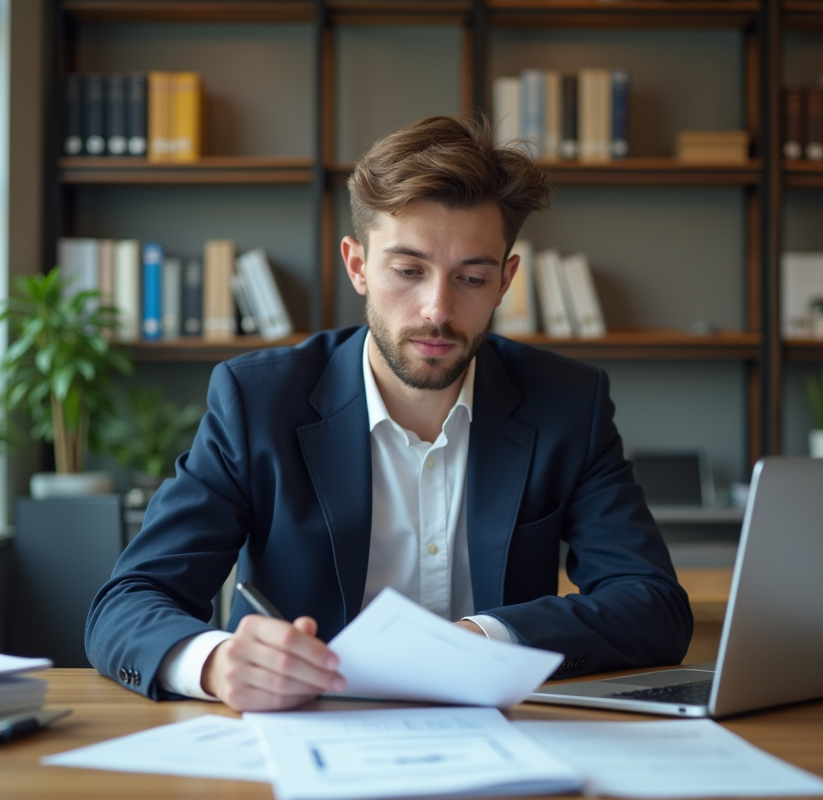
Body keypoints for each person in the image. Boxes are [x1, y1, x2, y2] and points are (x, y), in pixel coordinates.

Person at [85, 114, 692, 712]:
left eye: (472, 278)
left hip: (503, 737)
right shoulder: (257, 400)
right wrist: (215, 663)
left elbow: (652, 604)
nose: (437, 309)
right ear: (358, 266)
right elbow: (129, 601)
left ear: (506, 281)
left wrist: (482, 640)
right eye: (408, 271)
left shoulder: (567, 403)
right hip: (303, 731)